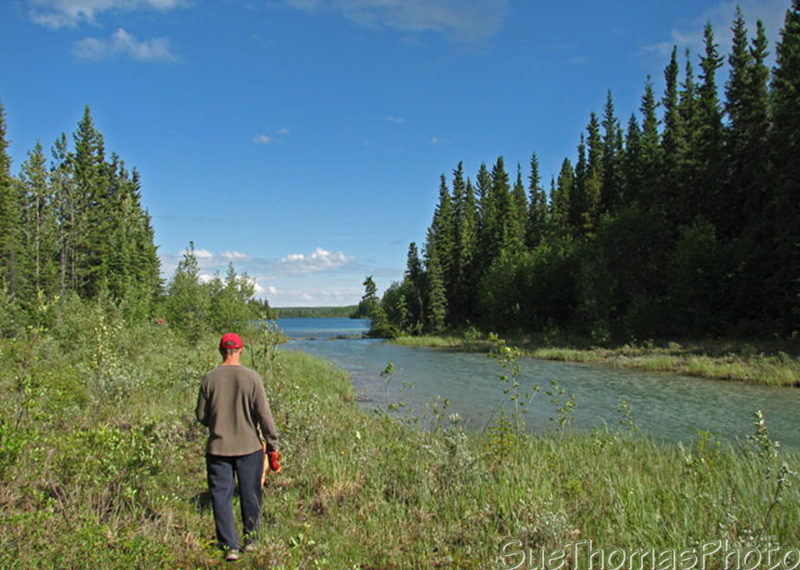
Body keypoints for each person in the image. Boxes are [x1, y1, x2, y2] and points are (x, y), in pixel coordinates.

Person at [196, 333, 280, 562]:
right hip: (249, 448)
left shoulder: (209, 378)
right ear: (241, 350)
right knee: (251, 494)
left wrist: (218, 421)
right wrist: (272, 444)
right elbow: (264, 415)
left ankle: (230, 546)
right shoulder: (252, 378)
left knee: (221, 497)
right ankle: (250, 540)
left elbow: (201, 415)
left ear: (221, 350)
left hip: (217, 449)